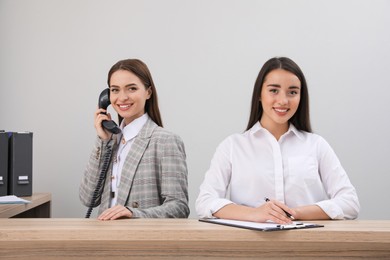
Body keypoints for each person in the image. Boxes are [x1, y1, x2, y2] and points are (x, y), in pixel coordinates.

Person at [195, 57, 360, 224]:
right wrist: (254, 214)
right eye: (274, 90)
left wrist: (293, 213)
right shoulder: (232, 146)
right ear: (259, 94)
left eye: (293, 92)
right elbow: (205, 202)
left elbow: (350, 203)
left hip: (307, 244)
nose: (283, 101)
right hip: (248, 245)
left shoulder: (316, 145)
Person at [80, 58, 189, 220]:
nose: (122, 97)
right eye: (115, 90)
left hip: (140, 240)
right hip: (104, 238)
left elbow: (179, 208)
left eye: (131, 88)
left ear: (148, 92)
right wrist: (102, 141)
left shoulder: (165, 141)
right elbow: (88, 198)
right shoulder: (110, 141)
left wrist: (133, 213)